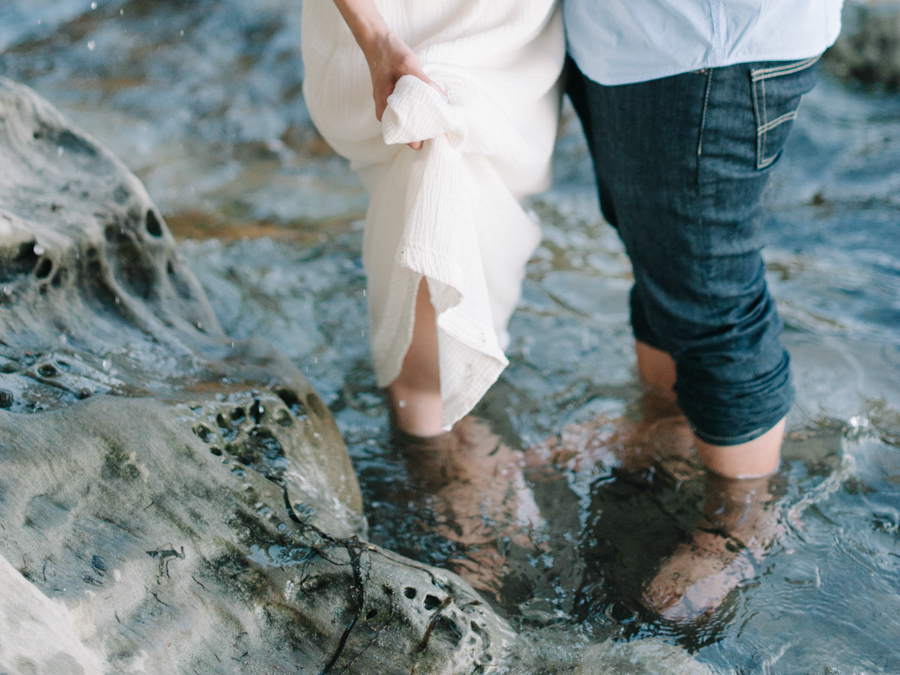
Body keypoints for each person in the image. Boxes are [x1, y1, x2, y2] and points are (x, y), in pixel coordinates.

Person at [563, 0, 844, 617]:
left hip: (710, 44)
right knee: (661, 251)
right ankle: (666, 426)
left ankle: (742, 519)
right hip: (625, 39)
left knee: (709, 284)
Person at [301, 0, 564, 437]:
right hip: (405, 33)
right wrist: (377, 39)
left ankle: (445, 430)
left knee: (482, 216)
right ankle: (435, 462)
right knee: (433, 172)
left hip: (510, 25)